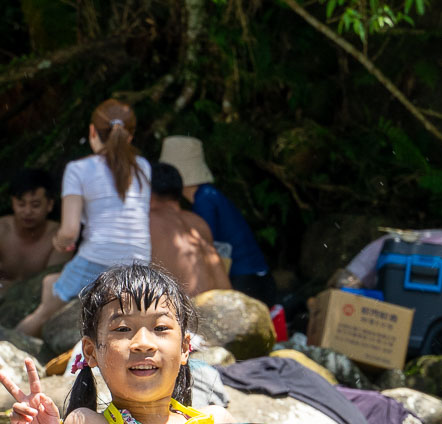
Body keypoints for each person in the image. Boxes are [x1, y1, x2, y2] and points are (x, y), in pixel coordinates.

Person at [0, 263, 230, 424]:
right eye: (123, 329)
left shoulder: (214, 423)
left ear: (184, 348)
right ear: (91, 352)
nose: (143, 343)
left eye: (160, 328)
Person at [15, 99, 151, 338]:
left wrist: (59, 242)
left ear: (92, 132)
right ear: (130, 136)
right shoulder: (143, 167)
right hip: (138, 263)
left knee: (45, 311)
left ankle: (8, 347)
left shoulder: (79, 169)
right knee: (52, 283)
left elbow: (69, 232)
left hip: (97, 258)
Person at [158, 135, 277, 303]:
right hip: (250, 274)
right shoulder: (207, 195)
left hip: (245, 276)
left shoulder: (204, 200)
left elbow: (203, 244)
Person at [0, 168, 71, 296]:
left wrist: (11, 290)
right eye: (21, 204)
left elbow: (55, 282)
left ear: (49, 205)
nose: (27, 211)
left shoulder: (61, 236)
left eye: (35, 205)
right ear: (12, 203)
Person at [148, 162, 230, 297]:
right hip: (226, 303)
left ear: (146, 191)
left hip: (192, 307)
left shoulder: (148, 221)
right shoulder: (198, 222)